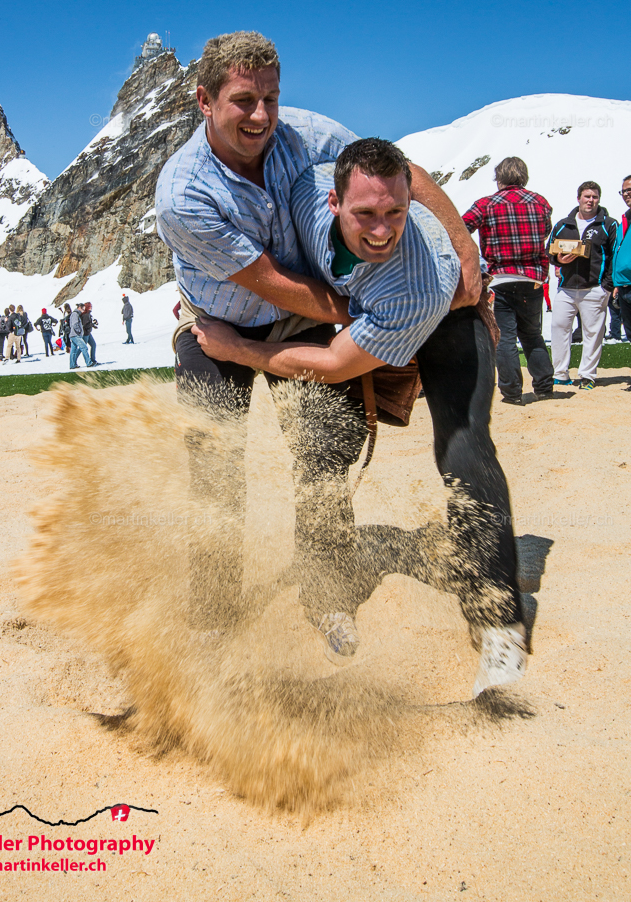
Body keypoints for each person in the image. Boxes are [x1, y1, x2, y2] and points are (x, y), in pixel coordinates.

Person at [155, 31, 482, 662]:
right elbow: (271, 282)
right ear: (204, 100)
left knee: (325, 454)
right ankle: (214, 615)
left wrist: (463, 248)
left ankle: (327, 594)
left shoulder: (305, 132)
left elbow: (401, 173)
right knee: (215, 467)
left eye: (271, 98)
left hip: (301, 321)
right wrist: (378, 319)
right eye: (243, 100)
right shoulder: (183, 194)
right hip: (216, 324)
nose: (261, 116)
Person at [195, 140, 527, 696]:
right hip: (365, 308)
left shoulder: (415, 287)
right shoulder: (305, 188)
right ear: (333, 202)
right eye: (365, 213)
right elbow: (403, 169)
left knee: (464, 447)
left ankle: (499, 622)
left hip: (446, 307)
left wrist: (237, 350)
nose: (380, 229)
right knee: (325, 444)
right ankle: (328, 595)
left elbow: (332, 363)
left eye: (395, 212)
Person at [462, 156, 555, 405]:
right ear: (524, 176)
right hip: (532, 279)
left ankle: (512, 393)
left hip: (500, 279)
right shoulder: (540, 202)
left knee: (505, 338)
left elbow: (461, 228)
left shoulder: (485, 205)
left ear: (499, 178)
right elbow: (546, 231)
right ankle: (544, 387)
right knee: (532, 335)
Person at [548, 182, 617, 390]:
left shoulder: (608, 224)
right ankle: (560, 374)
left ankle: (587, 376)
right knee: (559, 328)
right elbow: (550, 251)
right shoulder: (563, 224)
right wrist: (559, 260)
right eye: (587, 196)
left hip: (595, 288)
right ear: (578, 198)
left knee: (592, 334)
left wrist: (606, 286)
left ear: (599, 199)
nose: (590, 200)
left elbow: (614, 256)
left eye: (594, 197)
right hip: (566, 288)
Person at [611, 174, 631, 343]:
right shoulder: (624, 220)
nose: (626, 194)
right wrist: (617, 282)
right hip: (624, 286)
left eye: (630, 190)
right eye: (623, 191)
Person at [68, 304, 92, 369]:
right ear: (79, 308)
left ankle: (72, 365)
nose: (83, 311)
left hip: (73, 335)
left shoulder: (75, 314)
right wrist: (79, 331)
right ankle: (88, 362)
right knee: (84, 347)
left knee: (73, 350)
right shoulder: (75, 314)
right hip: (75, 335)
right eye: (83, 309)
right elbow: (75, 324)